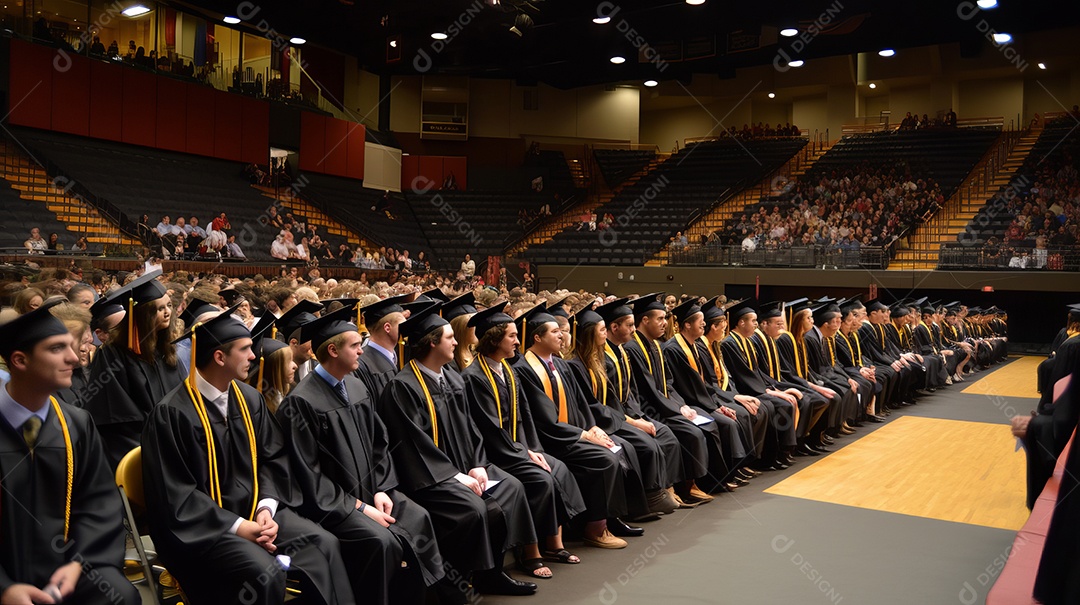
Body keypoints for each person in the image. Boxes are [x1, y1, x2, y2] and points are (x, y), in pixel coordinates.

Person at [142, 306, 356, 605]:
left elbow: (273, 458)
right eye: (244, 350)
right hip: (204, 527)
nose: (254, 357)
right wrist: (239, 526)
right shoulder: (172, 414)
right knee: (264, 570)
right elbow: (176, 494)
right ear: (219, 357)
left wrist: (265, 509)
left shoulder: (249, 398)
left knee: (323, 543)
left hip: (257, 510)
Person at [276, 304, 448, 604]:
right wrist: (358, 506)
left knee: (419, 517)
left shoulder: (355, 386)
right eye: (356, 345)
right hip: (334, 505)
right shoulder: (301, 402)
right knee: (380, 541)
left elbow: (379, 443)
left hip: (372, 492)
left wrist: (381, 488)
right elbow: (308, 473)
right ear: (332, 350)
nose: (361, 350)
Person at [376, 303, 540, 597]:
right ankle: (456, 582)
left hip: (463, 469)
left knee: (512, 488)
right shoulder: (403, 387)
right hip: (428, 479)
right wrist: (454, 476)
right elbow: (414, 445)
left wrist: (477, 465)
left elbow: (470, 429)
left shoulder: (451, 377)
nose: (459, 342)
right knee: (473, 509)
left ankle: (493, 573)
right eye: (450, 337)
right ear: (432, 343)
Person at [0, 300, 139, 605]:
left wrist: (79, 564)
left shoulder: (75, 423)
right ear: (20, 361)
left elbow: (99, 503)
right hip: (5, 575)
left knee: (121, 596)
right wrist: (5, 589)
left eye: (71, 346)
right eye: (56, 348)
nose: (74, 358)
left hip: (67, 568)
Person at [462, 303, 587, 570]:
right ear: (494, 338)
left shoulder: (507, 370)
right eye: (511, 336)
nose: (518, 341)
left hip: (518, 447)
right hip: (496, 452)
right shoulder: (474, 377)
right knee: (540, 479)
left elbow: (524, 416)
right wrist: (523, 454)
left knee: (558, 468)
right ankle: (530, 552)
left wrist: (533, 448)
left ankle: (555, 544)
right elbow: (489, 428)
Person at [512, 303, 638, 548]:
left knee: (615, 447)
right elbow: (544, 419)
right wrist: (584, 435)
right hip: (550, 439)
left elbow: (581, 403)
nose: (562, 335)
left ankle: (609, 520)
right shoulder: (524, 370)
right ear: (537, 337)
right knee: (604, 459)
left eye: (562, 331)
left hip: (571, 433)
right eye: (555, 332)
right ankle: (595, 528)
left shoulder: (559, 365)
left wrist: (593, 428)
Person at [83, 272, 185, 469]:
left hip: (176, 445)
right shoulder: (114, 354)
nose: (167, 313)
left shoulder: (167, 351)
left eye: (169, 306)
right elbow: (116, 420)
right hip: (140, 453)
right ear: (142, 313)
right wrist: (154, 452)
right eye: (159, 308)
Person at [356, 294, 410, 399]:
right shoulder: (362, 365)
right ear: (387, 328)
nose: (406, 329)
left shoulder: (398, 356)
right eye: (402, 324)